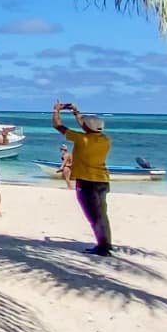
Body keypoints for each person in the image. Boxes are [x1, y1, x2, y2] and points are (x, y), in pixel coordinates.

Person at [54, 101, 113, 256]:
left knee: (93, 216)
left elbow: (57, 125)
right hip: (102, 180)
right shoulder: (106, 139)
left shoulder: (81, 138)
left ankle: (102, 247)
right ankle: (106, 243)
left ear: (87, 128)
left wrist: (57, 111)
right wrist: (76, 111)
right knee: (102, 214)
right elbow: (86, 126)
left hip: (87, 181)